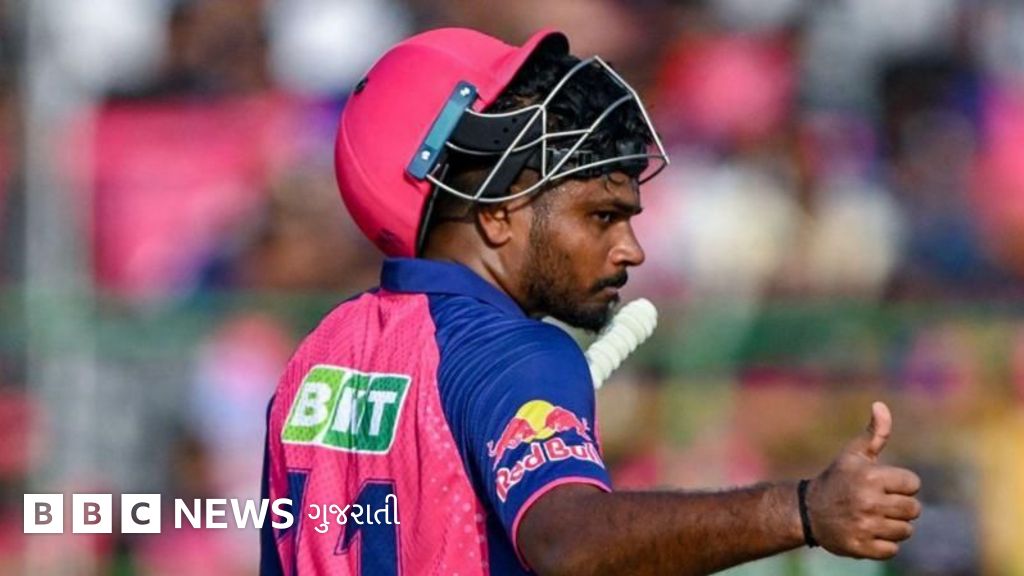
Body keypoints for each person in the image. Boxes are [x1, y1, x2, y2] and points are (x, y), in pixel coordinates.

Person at [260, 27, 921, 575]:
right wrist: (801, 510)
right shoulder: (517, 355)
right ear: (497, 213)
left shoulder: (315, 357)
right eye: (603, 216)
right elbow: (568, 543)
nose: (632, 250)